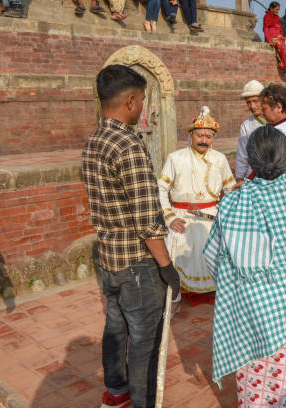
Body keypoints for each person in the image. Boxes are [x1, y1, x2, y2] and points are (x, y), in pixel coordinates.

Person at [204, 125, 286, 407]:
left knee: (258, 391)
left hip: (254, 314)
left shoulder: (235, 202)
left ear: (252, 160)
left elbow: (213, 258)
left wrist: (238, 287)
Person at [82, 65, 180, 408]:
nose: (143, 109)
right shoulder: (127, 144)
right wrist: (167, 266)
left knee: (116, 328)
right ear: (130, 101)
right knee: (145, 341)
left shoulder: (94, 141)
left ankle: (116, 393)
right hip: (138, 264)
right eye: (142, 102)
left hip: (110, 259)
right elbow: (147, 220)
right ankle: (142, 401)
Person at [158, 106, 235, 312]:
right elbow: (161, 188)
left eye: (208, 136)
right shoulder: (176, 158)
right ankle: (174, 301)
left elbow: (229, 188)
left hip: (211, 216)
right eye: (200, 135)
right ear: (191, 135)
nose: (204, 140)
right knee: (177, 257)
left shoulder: (219, 159)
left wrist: (225, 212)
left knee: (214, 257)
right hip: (181, 216)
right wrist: (169, 217)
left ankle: (220, 298)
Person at [235, 80, 266, 185]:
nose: (252, 106)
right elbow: (242, 154)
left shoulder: (276, 119)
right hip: (253, 177)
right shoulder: (246, 126)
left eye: (255, 101)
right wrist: (239, 177)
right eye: (248, 102)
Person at [263, 2, 286, 77]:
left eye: (278, 9)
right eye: (276, 9)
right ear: (271, 9)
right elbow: (265, 28)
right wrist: (269, 40)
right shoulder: (266, 16)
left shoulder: (277, 17)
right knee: (282, 46)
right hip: (272, 37)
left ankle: (283, 64)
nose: (277, 11)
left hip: (279, 36)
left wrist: (282, 36)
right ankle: (285, 67)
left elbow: (280, 28)